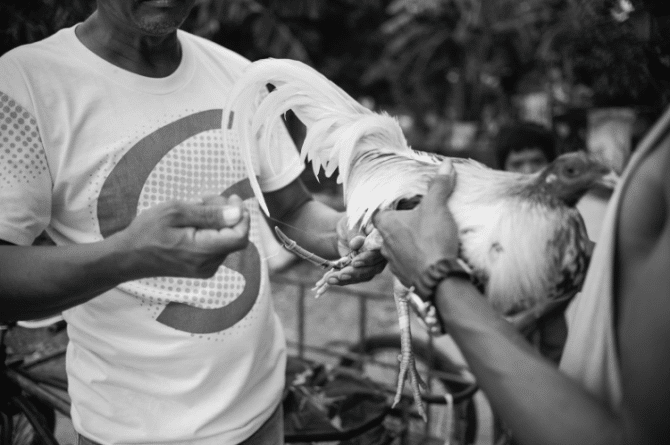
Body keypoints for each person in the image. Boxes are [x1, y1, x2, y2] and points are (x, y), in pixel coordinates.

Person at [0, 1, 384, 444]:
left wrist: (343, 235)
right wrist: (128, 257)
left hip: (264, 415)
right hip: (131, 434)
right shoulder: (24, 85)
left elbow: (294, 210)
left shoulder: (238, 75)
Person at [373, 106, 670, 444]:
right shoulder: (499, 220)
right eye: (518, 163)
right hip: (506, 323)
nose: (528, 170)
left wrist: (443, 282)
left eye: (537, 161)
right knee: (510, 405)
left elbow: (575, 274)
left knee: (548, 383)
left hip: (547, 329)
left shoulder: (568, 221)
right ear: (504, 168)